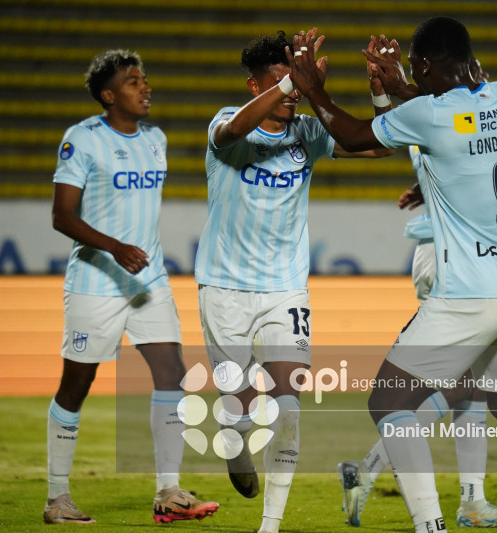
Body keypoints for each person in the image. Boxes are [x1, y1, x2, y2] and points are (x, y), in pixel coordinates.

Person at [288, 18, 497, 533]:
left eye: (413, 67)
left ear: (426, 65)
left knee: (388, 402)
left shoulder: (431, 115)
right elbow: (456, 114)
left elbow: (355, 136)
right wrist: (400, 85)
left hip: (467, 297)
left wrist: (313, 89)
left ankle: (430, 525)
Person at [194, 29, 391, 533]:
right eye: (281, 83)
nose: (293, 94)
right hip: (224, 290)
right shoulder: (226, 123)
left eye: (296, 82)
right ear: (254, 85)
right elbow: (232, 132)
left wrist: (380, 92)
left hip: (285, 290)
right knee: (238, 410)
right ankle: (234, 437)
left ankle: (271, 525)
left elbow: (379, 148)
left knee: (288, 409)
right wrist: (292, 83)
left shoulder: (307, 132)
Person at [45, 49, 218, 525]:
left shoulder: (156, 139)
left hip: (149, 280)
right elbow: (62, 215)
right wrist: (114, 247)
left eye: (144, 80)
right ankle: (57, 498)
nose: (145, 88)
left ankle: (169, 490)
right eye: (133, 82)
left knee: (172, 373)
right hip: (96, 281)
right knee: (76, 385)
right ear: (108, 95)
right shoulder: (82, 139)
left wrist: (131, 253)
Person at [336, 60, 497, 530]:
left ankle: (470, 498)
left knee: (470, 385)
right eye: (475, 72)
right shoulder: (446, 113)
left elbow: (454, 161)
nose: (481, 82)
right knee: (458, 385)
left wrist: (421, 187)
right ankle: (370, 472)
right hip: (450, 259)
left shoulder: (442, 119)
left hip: (451, 255)